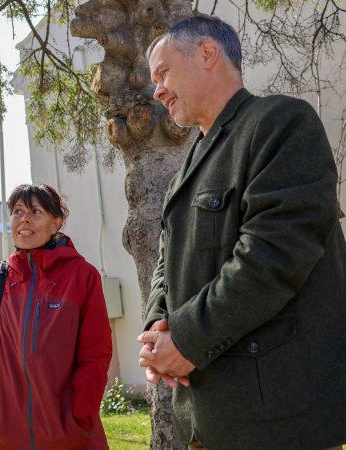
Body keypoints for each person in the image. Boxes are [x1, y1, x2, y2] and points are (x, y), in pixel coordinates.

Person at [139, 14, 346, 450]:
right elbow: (166, 262)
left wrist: (186, 338)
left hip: (278, 421)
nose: (156, 91)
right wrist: (159, 327)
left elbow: (272, 256)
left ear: (208, 53)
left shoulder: (281, 123)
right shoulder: (186, 170)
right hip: (205, 420)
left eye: (163, 72)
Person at [0, 183, 112, 449]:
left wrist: (80, 417)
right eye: (18, 211)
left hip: (75, 439)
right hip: (7, 438)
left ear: (56, 223)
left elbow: (95, 353)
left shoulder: (83, 277)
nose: (24, 219)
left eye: (35, 211)